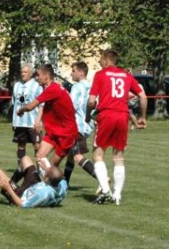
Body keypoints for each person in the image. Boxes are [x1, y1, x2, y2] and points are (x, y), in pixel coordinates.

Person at [85, 49, 147, 205]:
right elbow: (142, 96)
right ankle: (117, 195)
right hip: (122, 116)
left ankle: (105, 190)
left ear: (106, 60)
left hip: (106, 115)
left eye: (100, 58)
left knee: (98, 154)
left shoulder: (100, 75)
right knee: (118, 157)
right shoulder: (126, 75)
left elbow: (92, 101)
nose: (99, 62)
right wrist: (142, 117)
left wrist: (87, 115)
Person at [17, 64, 78, 171]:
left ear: (46, 76)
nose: (37, 77)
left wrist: (21, 110)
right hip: (54, 131)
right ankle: (46, 183)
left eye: (38, 75)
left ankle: (56, 184)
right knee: (40, 156)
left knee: (52, 166)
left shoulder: (53, 89)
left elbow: (31, 106)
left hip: (67, 133)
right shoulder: (51, 89)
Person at [63, 62, 98, 185]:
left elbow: (71, 106)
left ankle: (101, 178)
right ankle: (65, 183)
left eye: (73, 71)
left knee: (78, 156)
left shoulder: (76, 87)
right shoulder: (92, 87)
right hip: (88, 126)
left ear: (81, 72)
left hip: (77, 126)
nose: (71, 73)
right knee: (70, 155)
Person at [0, 155, 68, 208]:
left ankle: (11, 188)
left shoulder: (41, 194)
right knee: (25, 159)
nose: (46, 170)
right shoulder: (62, 185)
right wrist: (46, 169)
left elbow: (22, 204)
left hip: (22, 195)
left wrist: (8, 188)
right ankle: (13, 181)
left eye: (47, 172)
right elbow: (58, 175)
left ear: (47, 178)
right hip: (36, 186)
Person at [10, 64, 43, 182]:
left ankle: (39, 171)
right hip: (20, 123)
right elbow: (15, 104)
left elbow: (41, 105)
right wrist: (14, 121)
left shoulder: (37, 86)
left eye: (25, 72)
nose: (23, 74)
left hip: (33, 123)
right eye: (22, 72)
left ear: (31, 73)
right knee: (21, 146)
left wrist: (38, 121)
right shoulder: (17, 86)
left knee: (38, 146)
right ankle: (22, 169)